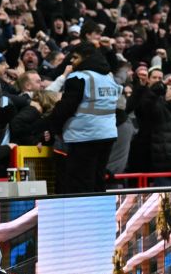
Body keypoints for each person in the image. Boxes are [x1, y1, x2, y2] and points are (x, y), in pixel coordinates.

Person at [48, 42, 121, 194]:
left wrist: (52, 127)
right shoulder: (108, 77)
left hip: (84, 137)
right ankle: (99, 215)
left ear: (87, 57)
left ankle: (82, 216)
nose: (72, 61)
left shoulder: (79, 77)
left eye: (75, 57)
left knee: (80, 183)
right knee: (98, 180)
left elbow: (65, 107)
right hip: (107, 136)